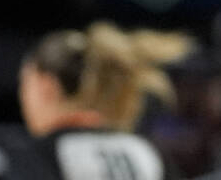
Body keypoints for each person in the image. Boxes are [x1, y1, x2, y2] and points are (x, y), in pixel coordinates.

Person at [18, 22, 190, 180]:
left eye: (25, 86)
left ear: (47, 87)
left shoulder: (38, 155)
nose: (23, 100)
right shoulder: (148, 153)